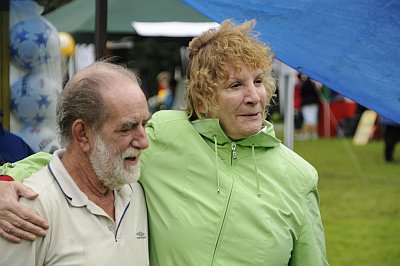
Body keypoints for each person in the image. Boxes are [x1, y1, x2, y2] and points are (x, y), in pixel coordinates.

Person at [0, 20, 328, 265]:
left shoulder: (298, 176)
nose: (254, 97)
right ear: (203, 98)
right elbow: (77, 157)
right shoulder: (163, 136)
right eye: (235, 85)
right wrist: (6, 180)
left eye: (259, 81)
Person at [0, 62, 150, 265]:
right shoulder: (28, 210)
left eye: (144, 124)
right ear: (82, 134)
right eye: (127, 128)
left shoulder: (137, 193)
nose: (144, 141)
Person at [300, 73, 322, 140]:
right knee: (313, 119)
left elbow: (302, 93)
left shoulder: (304, 85)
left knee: (307, 120)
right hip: (313, 103)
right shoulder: (314, 84)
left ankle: (307, 134)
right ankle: (313, 134)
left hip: (306, 103)